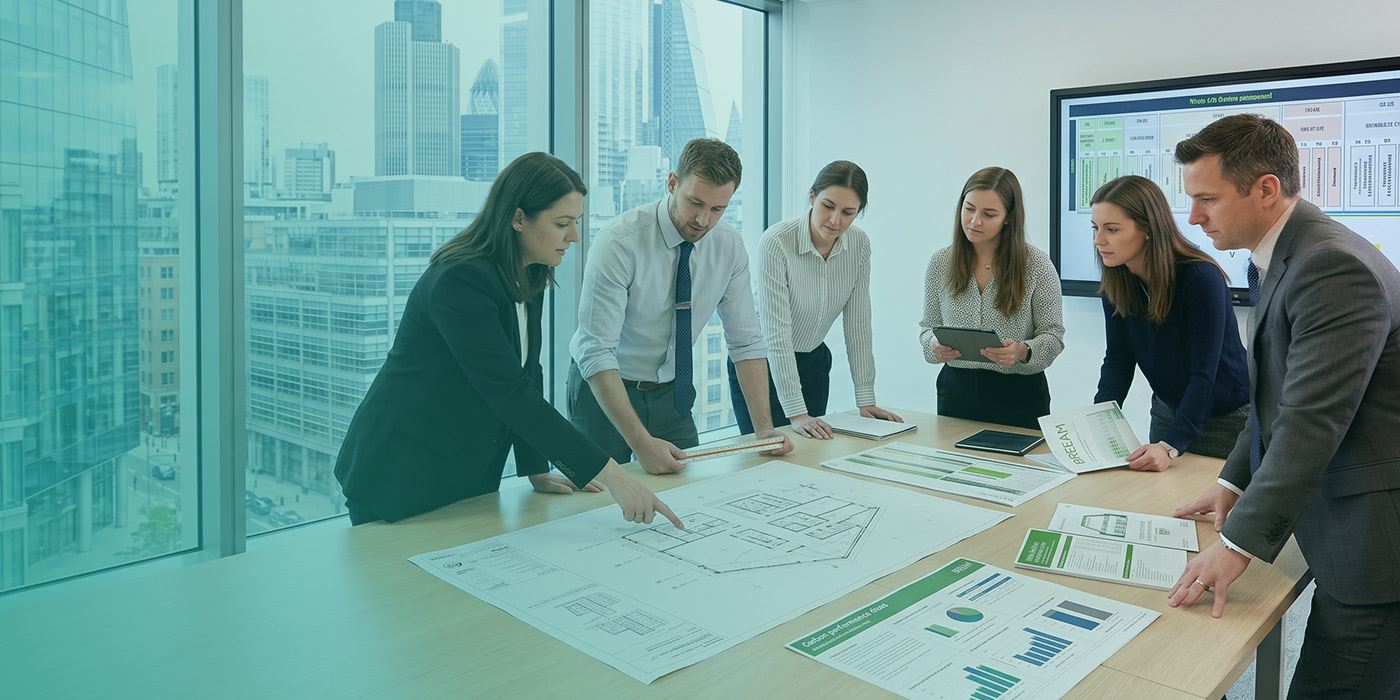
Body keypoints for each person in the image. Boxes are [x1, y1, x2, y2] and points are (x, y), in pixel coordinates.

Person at [1167, 114, 1400, 698]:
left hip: (1378, 542)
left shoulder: (1330, 264)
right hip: (1347, 524)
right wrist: (1234, 481)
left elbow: (1311, 421)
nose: (1194, 218)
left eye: (1207, 200)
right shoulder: (1279, 254)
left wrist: (1237, 544)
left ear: (1266, 189)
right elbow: (1274, 395)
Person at [333, 152, 681, 529]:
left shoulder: (529, 271)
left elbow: (529, 371)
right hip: (402, 470)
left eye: (576, 222)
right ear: (518, 218)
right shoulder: (460, 281)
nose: (575, 236)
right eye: (563, 223)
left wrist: (535, 468)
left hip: (464, 468)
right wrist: (617, 478)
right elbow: (511, 393)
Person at [569, 138, 794, 474]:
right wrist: (641, 443)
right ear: (672, 183)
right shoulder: (619, 243)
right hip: (605, 391)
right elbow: (596, 351)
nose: (703, 220)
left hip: (673, 398)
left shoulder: (729, 247)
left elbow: (746, 341)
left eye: (718, 209)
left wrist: (763, 428)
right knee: (597, 500)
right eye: (695, 202)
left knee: (687, 496)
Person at [730, 160, 903, 440]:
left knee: (809, 458)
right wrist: (796, 412)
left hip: (814, 364)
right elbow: (777, 333)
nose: (836, 220)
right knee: (766, 460)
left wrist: (866, 399)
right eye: (828, 206)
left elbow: (858, 323)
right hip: (763, 366)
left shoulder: (859, 244)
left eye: (849, 212)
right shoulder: (776, 241)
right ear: (812, 197)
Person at [1090, 175, 1249, 471]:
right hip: (1168, 413)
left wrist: (1170, 445)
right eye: (1096, 228)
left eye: (1112, 229)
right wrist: (1097, 425)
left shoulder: (1200, 278)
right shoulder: (1117, 281)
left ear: (1147, 230)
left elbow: (1204, 375)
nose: (1099, 240)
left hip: (1226, 420)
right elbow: (1117, 363)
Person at [919, 167, 1064, 429]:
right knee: (954, 467)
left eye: (989, 214)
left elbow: (1053, 336)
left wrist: (1023, 351)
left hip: (1019, 395)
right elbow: (927, 328)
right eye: (969, 208)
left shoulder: (1037, 265)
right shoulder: (941, 261)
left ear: (1009, 217)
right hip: (956, 392)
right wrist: (933, 345)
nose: (974, 221)